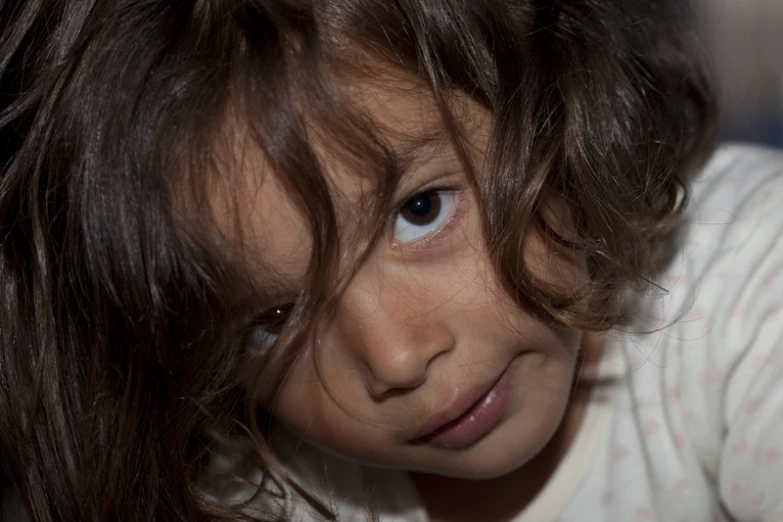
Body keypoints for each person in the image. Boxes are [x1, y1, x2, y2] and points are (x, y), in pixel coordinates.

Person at [0, 1, 781, 521]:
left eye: (419, 211)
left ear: (556, 100)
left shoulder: (746, 278)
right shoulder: (260, 495)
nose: (397, 357)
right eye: (271, 321)